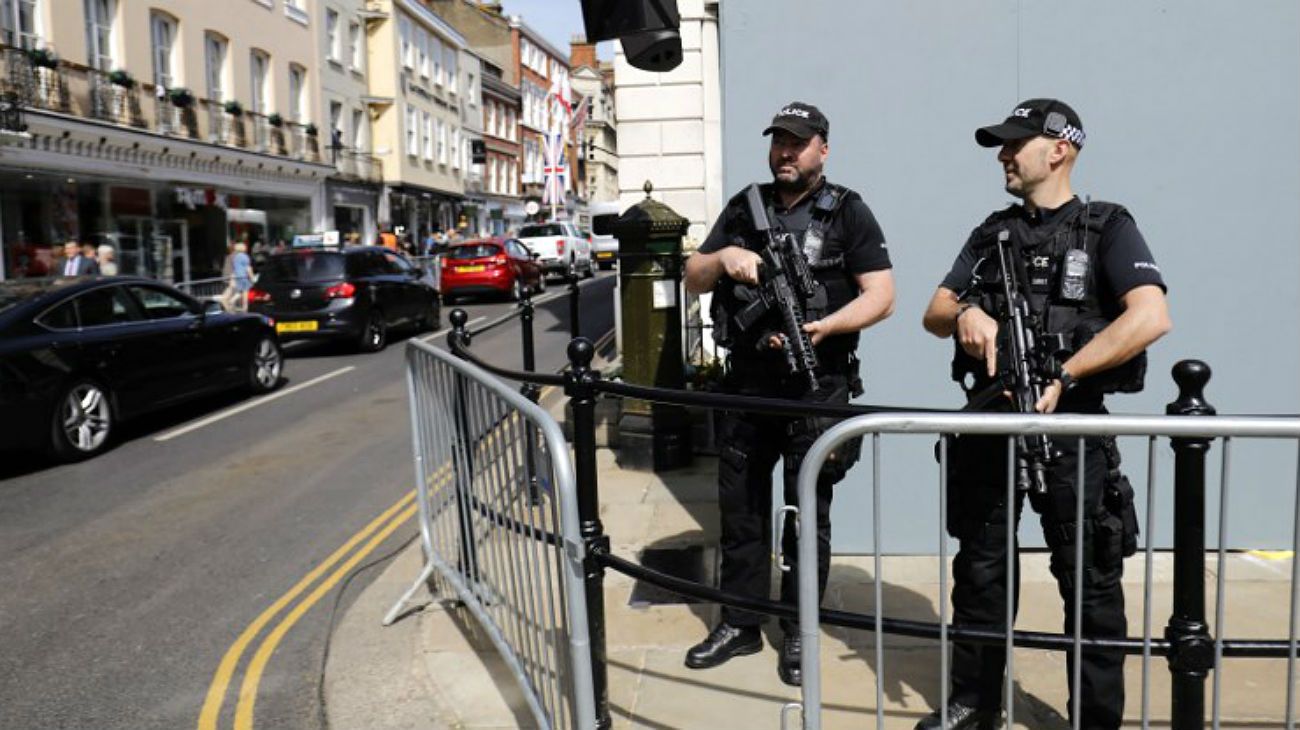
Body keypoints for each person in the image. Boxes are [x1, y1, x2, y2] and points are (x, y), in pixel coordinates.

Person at [917, 99, 1172, 730]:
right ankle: (975, 703)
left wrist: (1067, 371)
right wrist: (968, 314)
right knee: (980, 571)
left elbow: (1150, 316)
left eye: (1014, 144)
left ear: (1058, 148)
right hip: (993, 425)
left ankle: (1096, 719)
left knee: (1089, 581)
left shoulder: (1106, 226)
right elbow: (933, 311)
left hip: (1074, 429)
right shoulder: (992, 233)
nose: (1003, 155)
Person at [682, 101, 895, 686]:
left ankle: (799, 628)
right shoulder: (743, 208)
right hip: (748, 383)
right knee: (741, 507)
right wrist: (725, 257)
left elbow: (882, 294)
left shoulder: (849, 212)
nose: (785, 151)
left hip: (816, 384)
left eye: (798, 143)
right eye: (778, 140)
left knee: (807, 514)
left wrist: (829, 326)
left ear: (822, 149)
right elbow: (693, 275)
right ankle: (740, 623)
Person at [230, 242, 255, 312]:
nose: (246, 247)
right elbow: (248, 268)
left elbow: (235, 268)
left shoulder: (235, 257)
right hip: (244, 276)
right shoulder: (245, 257)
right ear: (243, 248)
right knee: (245, 292)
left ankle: (232, 301)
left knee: (240, 291)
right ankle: (245, 308)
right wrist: (252, 278)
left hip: (238, 276)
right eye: (245, 246)